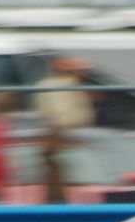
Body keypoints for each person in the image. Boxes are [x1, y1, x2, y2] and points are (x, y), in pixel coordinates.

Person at [34, 57, 96, 203]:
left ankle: (56, 198)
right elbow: (79, 116)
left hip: (59, 134)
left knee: (58, 169)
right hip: (63, 135)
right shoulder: (68, 84)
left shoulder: (48, 85)